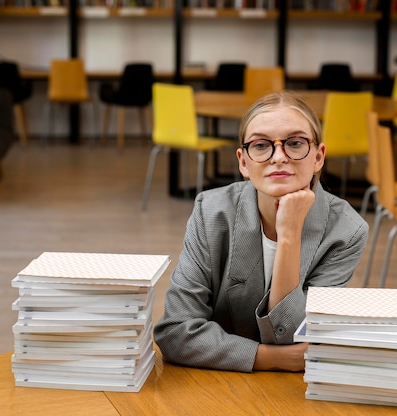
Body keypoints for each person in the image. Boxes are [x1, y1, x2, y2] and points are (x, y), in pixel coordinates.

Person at [153, 91, 369, 373]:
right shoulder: (211, 212)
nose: (279, 157)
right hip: (211, 382)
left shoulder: (347, 231)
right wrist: (269, 358)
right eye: (261, 145)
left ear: (318, 156)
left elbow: (292, 334)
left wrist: (289, 235)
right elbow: (175, 332)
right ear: (243, 162)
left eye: (295, 143)